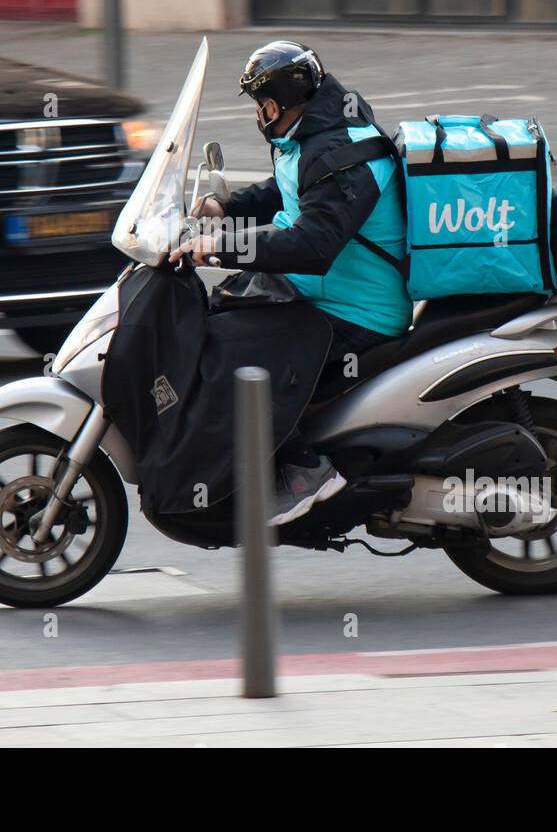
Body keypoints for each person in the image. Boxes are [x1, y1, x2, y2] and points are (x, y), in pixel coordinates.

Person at [170, 41, 411, 526]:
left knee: (228, 358)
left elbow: (313, 243)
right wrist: (227, 208)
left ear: (273, 104)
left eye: (259, 105)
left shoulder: (342, 151)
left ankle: (304, 470)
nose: (259, 115)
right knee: (214, 321)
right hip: (316, 293)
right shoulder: (313, 134)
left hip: (356, 311)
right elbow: (290, 190)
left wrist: (220, 245)